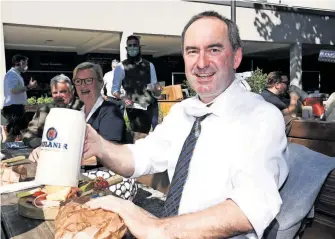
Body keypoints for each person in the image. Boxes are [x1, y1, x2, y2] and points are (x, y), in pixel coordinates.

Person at [82, 11, 289, 239]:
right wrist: (99, 146)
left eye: (214, 50)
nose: (201, 63)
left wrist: (155, 227)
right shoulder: (184, 111)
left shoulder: (260, 117)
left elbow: (250, 208)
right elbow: (141, 157)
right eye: (192, 51)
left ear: (236, 57)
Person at [29, 62, 137, 201]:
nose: (83, 86)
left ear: (100, 83)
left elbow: (109, 154)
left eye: (88, 80)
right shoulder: (79, 113)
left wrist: (64, 158)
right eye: (78, 81)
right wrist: (45, 151)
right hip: (85, 175)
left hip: (113, 178)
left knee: (58, 196)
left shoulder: (110, 110)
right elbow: (64, 146)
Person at [112, 35, 162, 138]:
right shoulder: (120, 67)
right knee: (139, 135)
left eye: (135, 45)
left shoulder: (149, 65)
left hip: (150, 105)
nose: (132, 47)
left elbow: (155, 88)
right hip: (134, 106)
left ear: (139, 47)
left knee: (150, 134)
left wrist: (157, 90)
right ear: (126, 48)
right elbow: (115, 89)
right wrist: (123, 97)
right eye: (130, 45)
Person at [21, 74, 83, 148]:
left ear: (72, 91)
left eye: (62, 92)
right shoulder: (44, 109)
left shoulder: (82, 108)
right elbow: (29, 134)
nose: (58, 96)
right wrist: (33, 141)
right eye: (55, 92)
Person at [2, 54, 37, 141]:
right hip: (13, 108)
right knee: (13, 132)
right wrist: (29, 87)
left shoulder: (16, 74)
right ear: (20, 62)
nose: (26, 65)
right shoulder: (12, 74)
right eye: (25, 63)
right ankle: (5, 151)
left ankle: (24, 147)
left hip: (17, 107)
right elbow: (13, 90)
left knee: (24, 130)